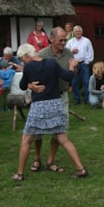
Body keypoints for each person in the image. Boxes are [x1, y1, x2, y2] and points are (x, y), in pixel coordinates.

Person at [12, 43, 88, 181]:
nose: (23, 61)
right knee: (63, 139)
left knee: (26, 140)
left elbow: (23, 86)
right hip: (55, 104)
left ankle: (20, 174)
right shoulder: (52, 63)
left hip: (38, 106)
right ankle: (80, 168)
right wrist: (72, 65)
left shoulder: (28, 67)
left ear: (27, 55)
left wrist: (30, 84)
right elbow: (68, 76)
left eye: (23, 58)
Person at [33, 27, 74, 173]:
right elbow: (32, 74)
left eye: (65, 40)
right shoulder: (42, 54)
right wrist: (31, 85)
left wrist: (72, 68)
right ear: (51, 39)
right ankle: (37, 158)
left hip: (61, 96)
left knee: (60, 129)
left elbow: (70, 75)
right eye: (60, 40)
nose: (64, 43)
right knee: (37, 130)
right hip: (44, 97)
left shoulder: (68, 53)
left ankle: (50, 160)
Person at [66, 25, 94, 105]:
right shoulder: (70, 42)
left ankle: (87, 99)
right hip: (74, 65)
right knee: (74, 82)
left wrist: (88, 61)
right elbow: (66, 53)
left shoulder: (86, 41)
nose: (78, 33)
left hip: (83, 63)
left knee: (86, 82)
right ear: (74, 33)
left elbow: (91, 52)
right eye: (76, 32)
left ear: (82, 32)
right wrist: (72, 51)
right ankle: (77, 99)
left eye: (79, 31)